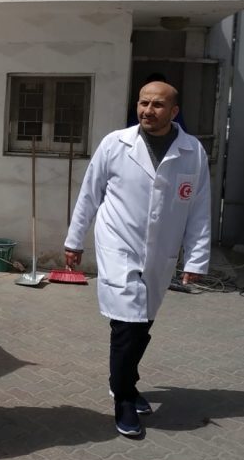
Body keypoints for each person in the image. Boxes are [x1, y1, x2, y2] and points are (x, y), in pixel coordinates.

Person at [64, 80, 211, 438]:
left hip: (161, 253)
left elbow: (200, 209)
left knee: (141, 323)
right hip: (117, 244)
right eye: (143, 103)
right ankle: (124, 397)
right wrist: (74, 241)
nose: (148, 110)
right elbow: (89, 194)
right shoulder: (115, 144)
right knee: (126, 323)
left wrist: (195, 259)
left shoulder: (192, 151)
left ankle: (125, 380)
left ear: (174, 111)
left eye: (157, 105)